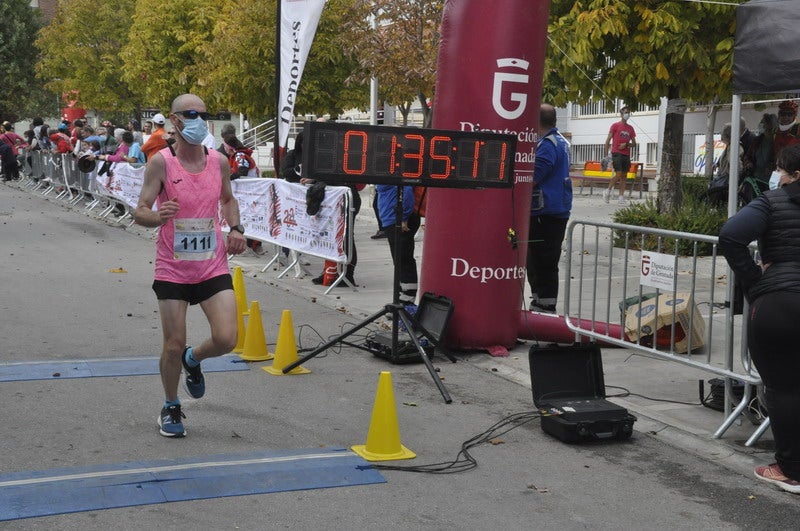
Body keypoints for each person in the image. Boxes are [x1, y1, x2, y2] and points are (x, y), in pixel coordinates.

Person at [133, 93, 247, 438]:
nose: (198, 120)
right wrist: (158, 217)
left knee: (227, 339)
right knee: (172, 344)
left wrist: (236, 228)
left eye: (203, 114)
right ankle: (170, 405)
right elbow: (140, 210)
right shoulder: (161, 163)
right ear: (175, 119)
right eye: (191, 114)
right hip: (173, 267)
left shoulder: (219, 161)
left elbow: (228, 199)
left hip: (212, 265)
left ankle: (193, 359)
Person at [718, 144, 800, 495]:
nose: (776, 175)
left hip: (779, 302)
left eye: (780, 169)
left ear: (794, 174)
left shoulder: (771, 202)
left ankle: (791, 470)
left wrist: (755, 280)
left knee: (783, 387)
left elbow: (730, 235)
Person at [527, 104, 572, 313]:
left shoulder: (547, 145)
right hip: (553, 211)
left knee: (543, 261)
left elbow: (533, 177)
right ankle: (539, 302)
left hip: (546, 213)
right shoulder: (559, 140)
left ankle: (545, 306)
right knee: (537, 260)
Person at [376, 184, 419, 303]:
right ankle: (401, 296)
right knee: (399, 261)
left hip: (398, 221)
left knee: (404, 260)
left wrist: (404, 217)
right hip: (392, 221)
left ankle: (408, 299)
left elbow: (407, 190)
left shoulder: (396, 176)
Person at [603, 105, 637, 205]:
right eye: (626, 112)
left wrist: (626, 144)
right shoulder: (615, 126)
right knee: (618, 173)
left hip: (626, 154)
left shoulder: (630, 128)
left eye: (629, 113)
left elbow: (634, 144)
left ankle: (621, 198)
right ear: (621, 114)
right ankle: (607, 191)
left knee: (624, 176)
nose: (627, 114)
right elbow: (608, 141)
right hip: (616, 153)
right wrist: (606, 156)